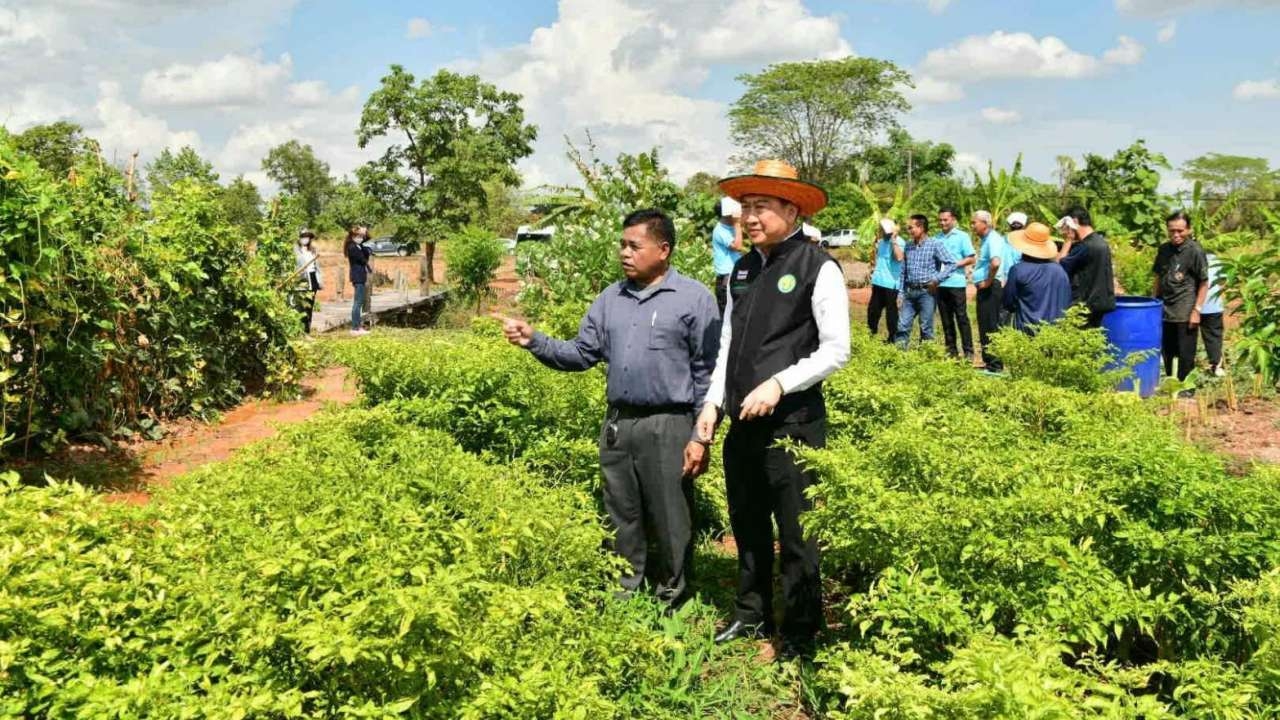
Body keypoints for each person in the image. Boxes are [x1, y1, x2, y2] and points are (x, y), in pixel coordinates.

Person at [499, 209, 720, 608]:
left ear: (664, 250)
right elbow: (581, 353)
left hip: (669, 424)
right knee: (621, 515)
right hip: (619, 425)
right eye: (622, 244)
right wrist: (535, 340)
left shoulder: (693, 298)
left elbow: (708, 373)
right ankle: (623, 596)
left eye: (635, 245)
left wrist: (700, 437)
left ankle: (674, 600)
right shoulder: (610, 298)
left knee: (671, 517)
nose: (624, 252)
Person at [695, 159, 849, 660]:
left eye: (761, 207)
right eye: (745, 207)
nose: (749, 217)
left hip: (792, 426)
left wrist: (779, 385)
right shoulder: (743, 268)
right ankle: (750, 612)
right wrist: (713, 403)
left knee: (798, 529)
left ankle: (802, 631)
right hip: (742, 420)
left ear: (793, 208)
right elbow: (730, 342)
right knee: (748, 519)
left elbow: (836, 349)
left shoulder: (817, 267)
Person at [1153, 210, 1209, 382]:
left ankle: (1187, 389)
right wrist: (1153, 303)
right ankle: (1171, 385)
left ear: (1189, 230)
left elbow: (1204, 283)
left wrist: (1197, 311)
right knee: (1167, 351)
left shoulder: (1195, 251)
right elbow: (1157, 278)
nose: (1176, 234)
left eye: (1180, 230)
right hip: (1164, 309)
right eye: (1172, 230)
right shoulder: (1164, 250)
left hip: (1185, 311)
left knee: (1185, 354)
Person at [895, 214, 957, 349]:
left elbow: (952, 263)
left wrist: (936, 279)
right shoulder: (908, 246)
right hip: (909, 292)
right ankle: (898, 357)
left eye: (911, 228)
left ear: (921, 227)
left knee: (926, 328)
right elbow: (903, 271)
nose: (909, 231)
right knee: (902, 326)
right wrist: (900, 293)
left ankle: (926, 358)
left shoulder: (935, 244)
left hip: (927, 293)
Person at [971, 210, 1020, 371]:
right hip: (988, 288)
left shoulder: (993, 239)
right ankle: (989, 362)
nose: (972, 226)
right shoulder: (988, 239)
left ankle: (995, 365)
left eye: (974, 223)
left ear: (985, 223)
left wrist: (987, 281)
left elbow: (996, 263)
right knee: (985, 325)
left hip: (991, 288)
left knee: (991, 326)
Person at [1003, 222, 1072, 334]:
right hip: (1056, 334)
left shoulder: (1018, 270)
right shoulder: (1060, 271)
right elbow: (1066, 301)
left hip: (1027, 333)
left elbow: (1008, 303)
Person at [1056, 207, 1116, 328]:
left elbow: (1058, 266)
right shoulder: (1101, 242)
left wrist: (1068, 240)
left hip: (1084, 305)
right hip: (1100, 302)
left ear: (1074, 222)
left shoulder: (1085, 246)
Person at [934, 207, 976, 361]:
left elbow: (971, 258)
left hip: (956, 283)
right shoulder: (936, 238)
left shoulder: (962, 236)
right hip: (940, 284)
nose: (942, 223)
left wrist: (955, 264)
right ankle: (951, 351)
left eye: (945, 220)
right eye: (940, 220)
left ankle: (969, 351)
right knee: (946, 319)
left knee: (961, 317)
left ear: (953, 219)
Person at [867, 217, 905, 341]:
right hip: (878, 282)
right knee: (873, 311)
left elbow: (899, 258)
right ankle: (871, 335)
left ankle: (892, 338)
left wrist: (893, 240)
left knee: (891, 313)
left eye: (884, 229)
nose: (882, 231)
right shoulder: (882, 242)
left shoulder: (899, 241)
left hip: (891, 283)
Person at [711, 197, 745, 313]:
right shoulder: (720, 230)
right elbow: (738, 246)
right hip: (726, 279)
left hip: (734, 275)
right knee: (727, 315)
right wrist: (737, 223)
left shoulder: (730, 227)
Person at [1200, 249, 1226, 377]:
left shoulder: (1189, 258)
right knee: (1214, 337)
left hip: (1193, 305)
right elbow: (1222, 281)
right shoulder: (1216, 259)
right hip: (1213, 305)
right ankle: (1217, 366)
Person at [294, 229, 322, 334]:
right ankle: (299, 332)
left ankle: (307, 332)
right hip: (301, 280)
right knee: (300, 308)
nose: (305, 239)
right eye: (303, 236)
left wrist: (319, 281)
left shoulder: (313, 250)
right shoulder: (295, 250)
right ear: (299, 237)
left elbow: (317, 266)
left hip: (312, 279)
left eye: (307, 236)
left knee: (309, 307)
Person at [345, 225, 371, 335]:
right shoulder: (352, 247)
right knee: (358, 302)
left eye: (361, 235)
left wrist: (365, 231)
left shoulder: (358, 246)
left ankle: (358, 326)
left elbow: (368, 238)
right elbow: (362, 259)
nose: (361, 237)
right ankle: (355, 327)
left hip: (361, 276)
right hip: (357, 276)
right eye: (358, 235)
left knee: (359, 302)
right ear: (353, 236)